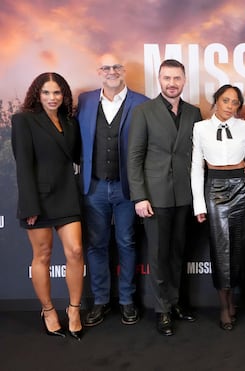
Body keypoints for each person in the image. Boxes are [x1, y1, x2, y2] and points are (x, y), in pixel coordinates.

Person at [127, 59, 201, 336]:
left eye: (177, 78)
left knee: (178, 252)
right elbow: (134, 157)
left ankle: (176, 302)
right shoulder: (143, 111)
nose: (172, 83)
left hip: (184, 195)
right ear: (159, 80)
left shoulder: (194, 112)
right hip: (154, 197)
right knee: (158, 254)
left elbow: (199, 153)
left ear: (184, 80)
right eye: (167, 78)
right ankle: (162, 310)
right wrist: (139, 197)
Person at [11, 72, 84, 340]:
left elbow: (75, 156)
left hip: (67, 194)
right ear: (37, 94)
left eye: (56, 93)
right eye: (46, 93)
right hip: (38, 199)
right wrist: (30, 205)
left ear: (63, 95)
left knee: (75, 251)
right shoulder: (23, 120)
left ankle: (74, 310)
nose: (52, 98)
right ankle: (49, 310)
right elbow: (23, 165)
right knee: (42, 255)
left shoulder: (70, 122)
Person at [78, 53, 149, 327]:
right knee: (96, 245)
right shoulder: (84, 101)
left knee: (127, 243)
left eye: (116, 66)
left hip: (126, 188)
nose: (111, 71)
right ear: (99, 71)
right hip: (93, 186)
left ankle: (127, 301)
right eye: (106, 67)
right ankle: (100, 301)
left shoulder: (141, 102)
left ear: (124, 70)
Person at [190, 84, 245, 331]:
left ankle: (234, 300)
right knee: (220, 248)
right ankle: (223, 305)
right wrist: (199, 204)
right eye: (225, 100)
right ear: (215, 101)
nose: (230, 106)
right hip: (214, 188)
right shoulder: (200, 128)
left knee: (238, 246)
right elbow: (197, 166)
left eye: (235, 102)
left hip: (240, 187)